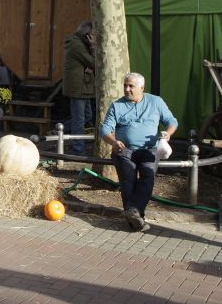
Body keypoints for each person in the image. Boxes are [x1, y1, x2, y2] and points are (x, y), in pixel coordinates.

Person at [100, 72, 177, 233]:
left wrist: (168, 133)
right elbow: (105, 129)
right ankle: (135, 218)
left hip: (149, 149)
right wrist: (113, 142)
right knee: (128, 180)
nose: (127, 89)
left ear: (142, 88)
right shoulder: (117, 106)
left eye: (131, 86)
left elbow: (172, 121)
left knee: (148, 177)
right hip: (124, 149)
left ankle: (133, 212)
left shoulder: (156, 102)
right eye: (125, 85)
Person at [63, 20, 95, 155]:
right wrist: (93, 46)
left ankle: (60, 129)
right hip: (78, 87)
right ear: (87, 34)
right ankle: (78, 149)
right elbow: (94, 62)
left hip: (83, 86)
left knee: (87, 116)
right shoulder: (77, 45)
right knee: (79, 120)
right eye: (93, 34)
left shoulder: (79, 43)